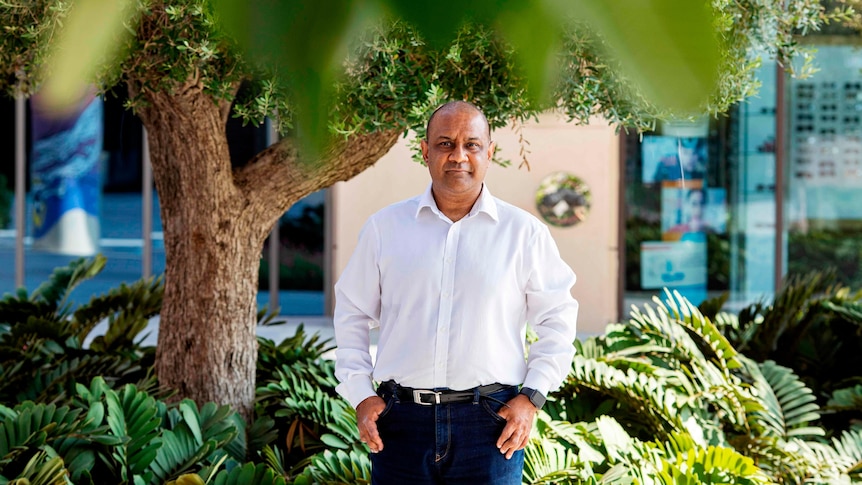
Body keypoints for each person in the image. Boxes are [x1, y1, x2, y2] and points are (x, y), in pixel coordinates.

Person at [333, 100, 579, 484]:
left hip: (492, 426)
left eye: (472, 145)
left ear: (490, 152)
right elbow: (351, 314)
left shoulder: (524, 233)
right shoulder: (385, 228)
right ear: (426, 151)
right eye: (446, 144)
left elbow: (558, 319)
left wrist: (533, 397)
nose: (458, 156)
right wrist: (360, 393)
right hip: (401, 423)